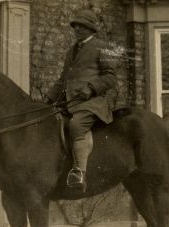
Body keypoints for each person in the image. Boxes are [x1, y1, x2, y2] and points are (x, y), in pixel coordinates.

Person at [45, 9, 117, 192]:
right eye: (75, 26)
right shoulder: (71, 51)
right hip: (69, 102)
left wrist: (91, 88)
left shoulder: (104, 47)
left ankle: (79, 173)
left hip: (91, 103)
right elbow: (63, 79)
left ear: (91, 29)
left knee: (76, 125)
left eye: (81, 26)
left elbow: (110, 78)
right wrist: (48, 97)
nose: (77, 29)